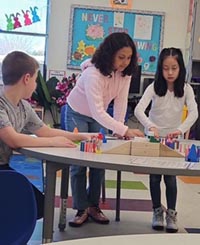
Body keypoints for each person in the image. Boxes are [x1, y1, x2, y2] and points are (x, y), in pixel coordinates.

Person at [0, 51, 92, 220]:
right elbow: (12, 139)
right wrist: (53, 142)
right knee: (32, 206)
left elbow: (45, 131)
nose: (35, 85)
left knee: (40, 206)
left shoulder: (24, 106)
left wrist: (80, 136)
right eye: (35, 80)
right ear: (26, 78)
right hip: (2, 170)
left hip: (3, 168)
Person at [65, 32, 144, 227]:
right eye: (121, 57)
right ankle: (81, 208)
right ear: (109, 54)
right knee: (79, 162)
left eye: (129, 57)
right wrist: (125, 129)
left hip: (97, 116)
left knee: (99, 161)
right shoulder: (93, 73)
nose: (125, 62)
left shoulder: (125, 73)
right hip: (77, 113)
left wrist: (118, 129)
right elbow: (98, 111)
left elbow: (120, 102)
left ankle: (93, 206)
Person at [134, 47, 198, 233]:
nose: (170, 72)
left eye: (174, 68)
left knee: (170, 178)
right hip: (154, 139)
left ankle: (171, 214)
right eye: (165, 68)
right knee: (154, 178)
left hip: (173, 140)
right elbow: (139, 110)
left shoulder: (185, 89)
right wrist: (150, 126)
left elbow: (194, 113)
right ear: (160, 69)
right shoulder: (153, 87)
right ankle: (157, 212)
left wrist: (180, 130)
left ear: (180, 69)